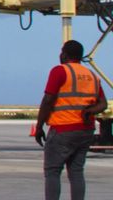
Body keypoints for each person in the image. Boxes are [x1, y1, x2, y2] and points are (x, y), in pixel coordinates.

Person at [35, 40, 107, 200]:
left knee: (52, 171)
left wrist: (39, 126)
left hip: (63, 129)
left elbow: (48, 99)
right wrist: (90, 111)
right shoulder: (92, 76)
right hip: (86, 130)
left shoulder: (60, 71)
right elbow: (103, 104)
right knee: (76, 172)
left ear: (65, 54)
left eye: (62, 52)